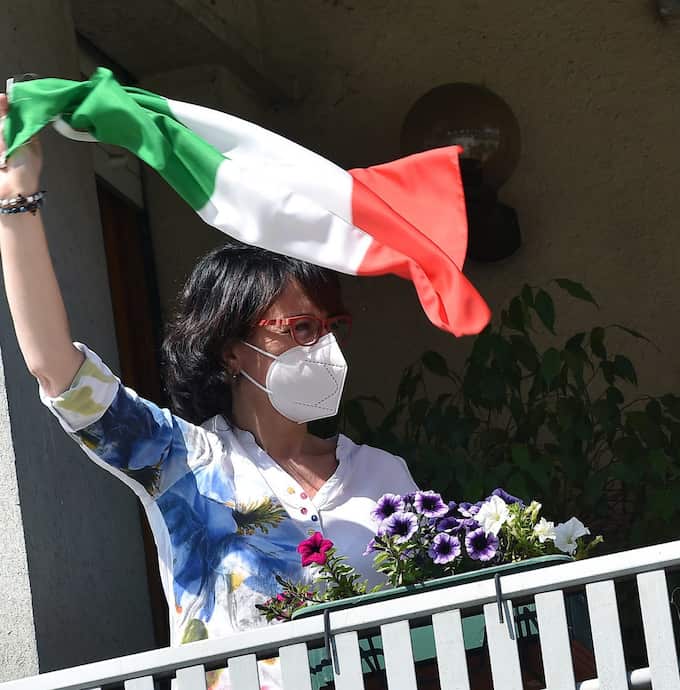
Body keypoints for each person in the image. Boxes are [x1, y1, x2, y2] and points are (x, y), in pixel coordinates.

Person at [0, 93, 419, 649]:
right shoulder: (185, 462)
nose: (323, 345)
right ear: (232, 351)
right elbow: (56, 370)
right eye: (298, 327)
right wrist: (15, 199)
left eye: (328, 325)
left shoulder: (386, 478)